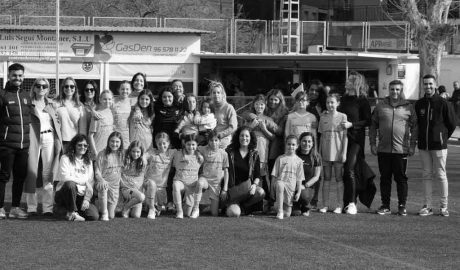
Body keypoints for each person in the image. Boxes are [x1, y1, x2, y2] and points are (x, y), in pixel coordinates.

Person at [369, 80, 417, 216]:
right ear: (389, 90)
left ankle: (402, 205)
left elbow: (415, 126)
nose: (394, 92)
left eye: (397, 89)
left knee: (401, 178)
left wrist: (412, 145)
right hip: (383, 149)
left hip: (401, 150)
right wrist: (372, 143)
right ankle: (385, 205)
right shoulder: (380, 106)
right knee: (385, 178)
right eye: (392, 89)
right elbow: (373, 125)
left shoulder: (408, 107)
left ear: (401, 91)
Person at [415, 74, 457, 217]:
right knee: (426, 175)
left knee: (440, 175)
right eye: (425, 84)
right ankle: (427, 206)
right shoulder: (419, 103)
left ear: (435, 84)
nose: (428, 86)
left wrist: (442, 138)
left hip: (439, 146)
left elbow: (451, 124)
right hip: (423, 147)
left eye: (430, 84)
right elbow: (417, 125)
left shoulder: (444, 103)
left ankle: (444, 206)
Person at [24, 78, 62, 216]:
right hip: (33, 138)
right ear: (34, 88)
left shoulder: (52, 104)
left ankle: (47, 208)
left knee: (48, 173)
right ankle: (32, 207)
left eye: (44, 86)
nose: (41, 88)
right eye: (38, 85)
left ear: (47, 89)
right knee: (31, 172)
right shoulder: (28, 104)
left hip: (49, 138)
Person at [0, 63, 32, 219]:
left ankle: (15, 208)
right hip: (6, 145)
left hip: (24, 146)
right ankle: (0, 208)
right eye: (14, 75)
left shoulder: (27, 96)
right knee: (3, 177)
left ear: (23, 77)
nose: (17, 78)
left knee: (20, 178)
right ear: (9, 76)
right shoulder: (3, 95)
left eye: (20, 75)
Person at [338, 71, 371, 215]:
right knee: (345, 171)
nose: (347, 81)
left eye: (350, 80)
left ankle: (352, 203)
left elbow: (368, 120)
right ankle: (346, 202)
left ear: (357, 83)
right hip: (342, 139)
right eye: (347, 79)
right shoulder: (343, 99)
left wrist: (352, 125)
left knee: (349, 169)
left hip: (356, 140)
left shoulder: (363, 100)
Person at [54, 134, 99, 221]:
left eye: (85, 145)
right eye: (80, 145)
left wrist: (87, 199)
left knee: (94, 216)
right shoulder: (65, 158)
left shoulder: (88, 161)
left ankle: (64, 212)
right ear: (74, 145)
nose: (83, 147)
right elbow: (65, 178)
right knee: (70, 184)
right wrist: (83, 181)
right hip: (65, 193)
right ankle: (72, 212)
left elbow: (90, 182)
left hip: (81, 195)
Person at [225, 126, 265, 217]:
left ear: (251, 138)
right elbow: (224, 171)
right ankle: (232, 204)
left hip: (248, 189)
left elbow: (257, 175)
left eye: (247, 136)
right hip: (233, 190)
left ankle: (243, 206)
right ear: (237, 137)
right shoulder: (229, 152)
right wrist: (224, 189)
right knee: (234, 213)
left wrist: (254, 185)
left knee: (260, 192)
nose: (244, 138)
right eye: (242, 135)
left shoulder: (255, 154)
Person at [318, 94, 347, 214]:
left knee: (339, 178)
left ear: (338, 103)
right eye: (328, 102)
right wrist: (319, 153)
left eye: (332, 102)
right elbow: (321, 136)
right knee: (327, 178)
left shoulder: (342, 116)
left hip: (338, 153)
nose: (330, 105)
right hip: (325, 153)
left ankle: (339, 205)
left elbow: (345, 137)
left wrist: (344, 153)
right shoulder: (322, 117)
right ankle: (325, 205)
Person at [144, 132, 177, 219]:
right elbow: (143, 156)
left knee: (159, 210)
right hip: (149, 185)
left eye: (164, 143)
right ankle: (151, 208)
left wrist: (198, 154)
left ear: (168, 143)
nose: (162, 146)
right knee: (152, 184)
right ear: (156, 144)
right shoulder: (152, 152)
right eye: (159, 144)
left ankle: (155, 206)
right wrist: (143, 160)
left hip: (162, 187)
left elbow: (184, 152)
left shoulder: (172, 153)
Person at [271, 135, 304, 219]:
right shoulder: (280, 158)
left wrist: (299, 192)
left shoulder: (299, 161)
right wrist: (271, 189)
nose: (291, 146)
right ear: (285, 144)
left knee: (287, 214)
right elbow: (274, 176)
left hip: (291, 187)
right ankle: (280, 211)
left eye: (293, 144)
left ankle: (275, 206)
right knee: (279, 184)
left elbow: (299, 179)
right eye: (289, 144)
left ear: (297, 146)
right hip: (280, 184)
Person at [172, 134, 204, 219]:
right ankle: (179, 211)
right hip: (181, 182)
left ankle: (185, 206)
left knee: (188, 213)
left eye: (193, 144)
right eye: (188, 144)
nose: (191, 147)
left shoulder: (199, 157)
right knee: (175, 185)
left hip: (192, 185)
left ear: (197, 145)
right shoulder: (177, 153)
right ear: (184, 144)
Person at [198, 130, 229, 216]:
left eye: (216, 140)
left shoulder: (224, 154)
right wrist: (199, 155)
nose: (214, 143)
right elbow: (196, 149)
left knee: (214, 213)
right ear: (208, 141)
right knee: (200, 183)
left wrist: (225, 189)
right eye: (211, 140)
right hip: (205, 180)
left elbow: (226, 171)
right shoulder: (204, 149)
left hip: (216, 184)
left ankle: (207, 205)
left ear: (219, 141)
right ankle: (196, 206)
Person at [95, 131, 124, 221]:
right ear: (108, 142)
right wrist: (101, 180)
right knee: (103, 187)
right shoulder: (102, 154)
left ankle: (97, 204)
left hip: (115, 187)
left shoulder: (122, 155)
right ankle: (103, 213)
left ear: (120, 143)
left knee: (111, 215)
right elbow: (97, 171)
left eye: (117, 142)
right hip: (103, 184)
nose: (114, 144)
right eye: (112, 141)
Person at [55, 77, 87, 150]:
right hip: (59, 140)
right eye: (66, 86)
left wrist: (81, 143)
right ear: (62, 88)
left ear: (75, 88)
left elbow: (82, 128)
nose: (69, 88)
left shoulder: (80, 106)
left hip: (74, 141)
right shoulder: (56, 103)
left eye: (72, 86)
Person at [295, 132, 322, 216]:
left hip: (307, 187)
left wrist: (305, 185)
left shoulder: (316, 157)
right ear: (299, 142)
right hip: (294, 186)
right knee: (294, 213)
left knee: (303, 195)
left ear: (313, 143)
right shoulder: (294, 154)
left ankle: (306, 206)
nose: (307, 144)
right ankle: (295, 206)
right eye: (304, 141)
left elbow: (316, 176)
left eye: (309, 141)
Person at [120, 140, 147, 218]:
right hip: (127, 189)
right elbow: (121, 175)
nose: (135, 154)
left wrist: (135, 185)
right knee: (141, 197)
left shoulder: (142, 163)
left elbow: (141, 178)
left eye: (138, 152)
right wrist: (128, 184)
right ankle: (125, 208)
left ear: (141, 152)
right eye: (133, 151)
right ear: (130, 151)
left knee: (136, 215)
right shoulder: (125, 160)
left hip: (136, 190)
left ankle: (128, 204)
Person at [209, 81, 237, 149]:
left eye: (218, 92)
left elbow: (233, 127)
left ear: (222, 94)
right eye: (214, 93)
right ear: (211, 95)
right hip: (210, 139)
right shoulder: (209, 106)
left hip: (224, 140)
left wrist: (220, 135)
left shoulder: (229, 107)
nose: (216, 95)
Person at [88, 90, 115, 156]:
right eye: (105, 99)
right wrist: (94, 151)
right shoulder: (96, 115)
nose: (107, 101)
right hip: (98, 150)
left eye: (109, 99)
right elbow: (90, 135)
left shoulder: (111, 113)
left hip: (108, 150)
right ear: (100, 100)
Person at [113, 81, 132, 149]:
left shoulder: (132, 102)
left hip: (127, 137)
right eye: (122, 89)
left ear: (130, 90)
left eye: (127, 89)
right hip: (114, 135)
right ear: (119, 90)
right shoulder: (113, 101)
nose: (125, 91)